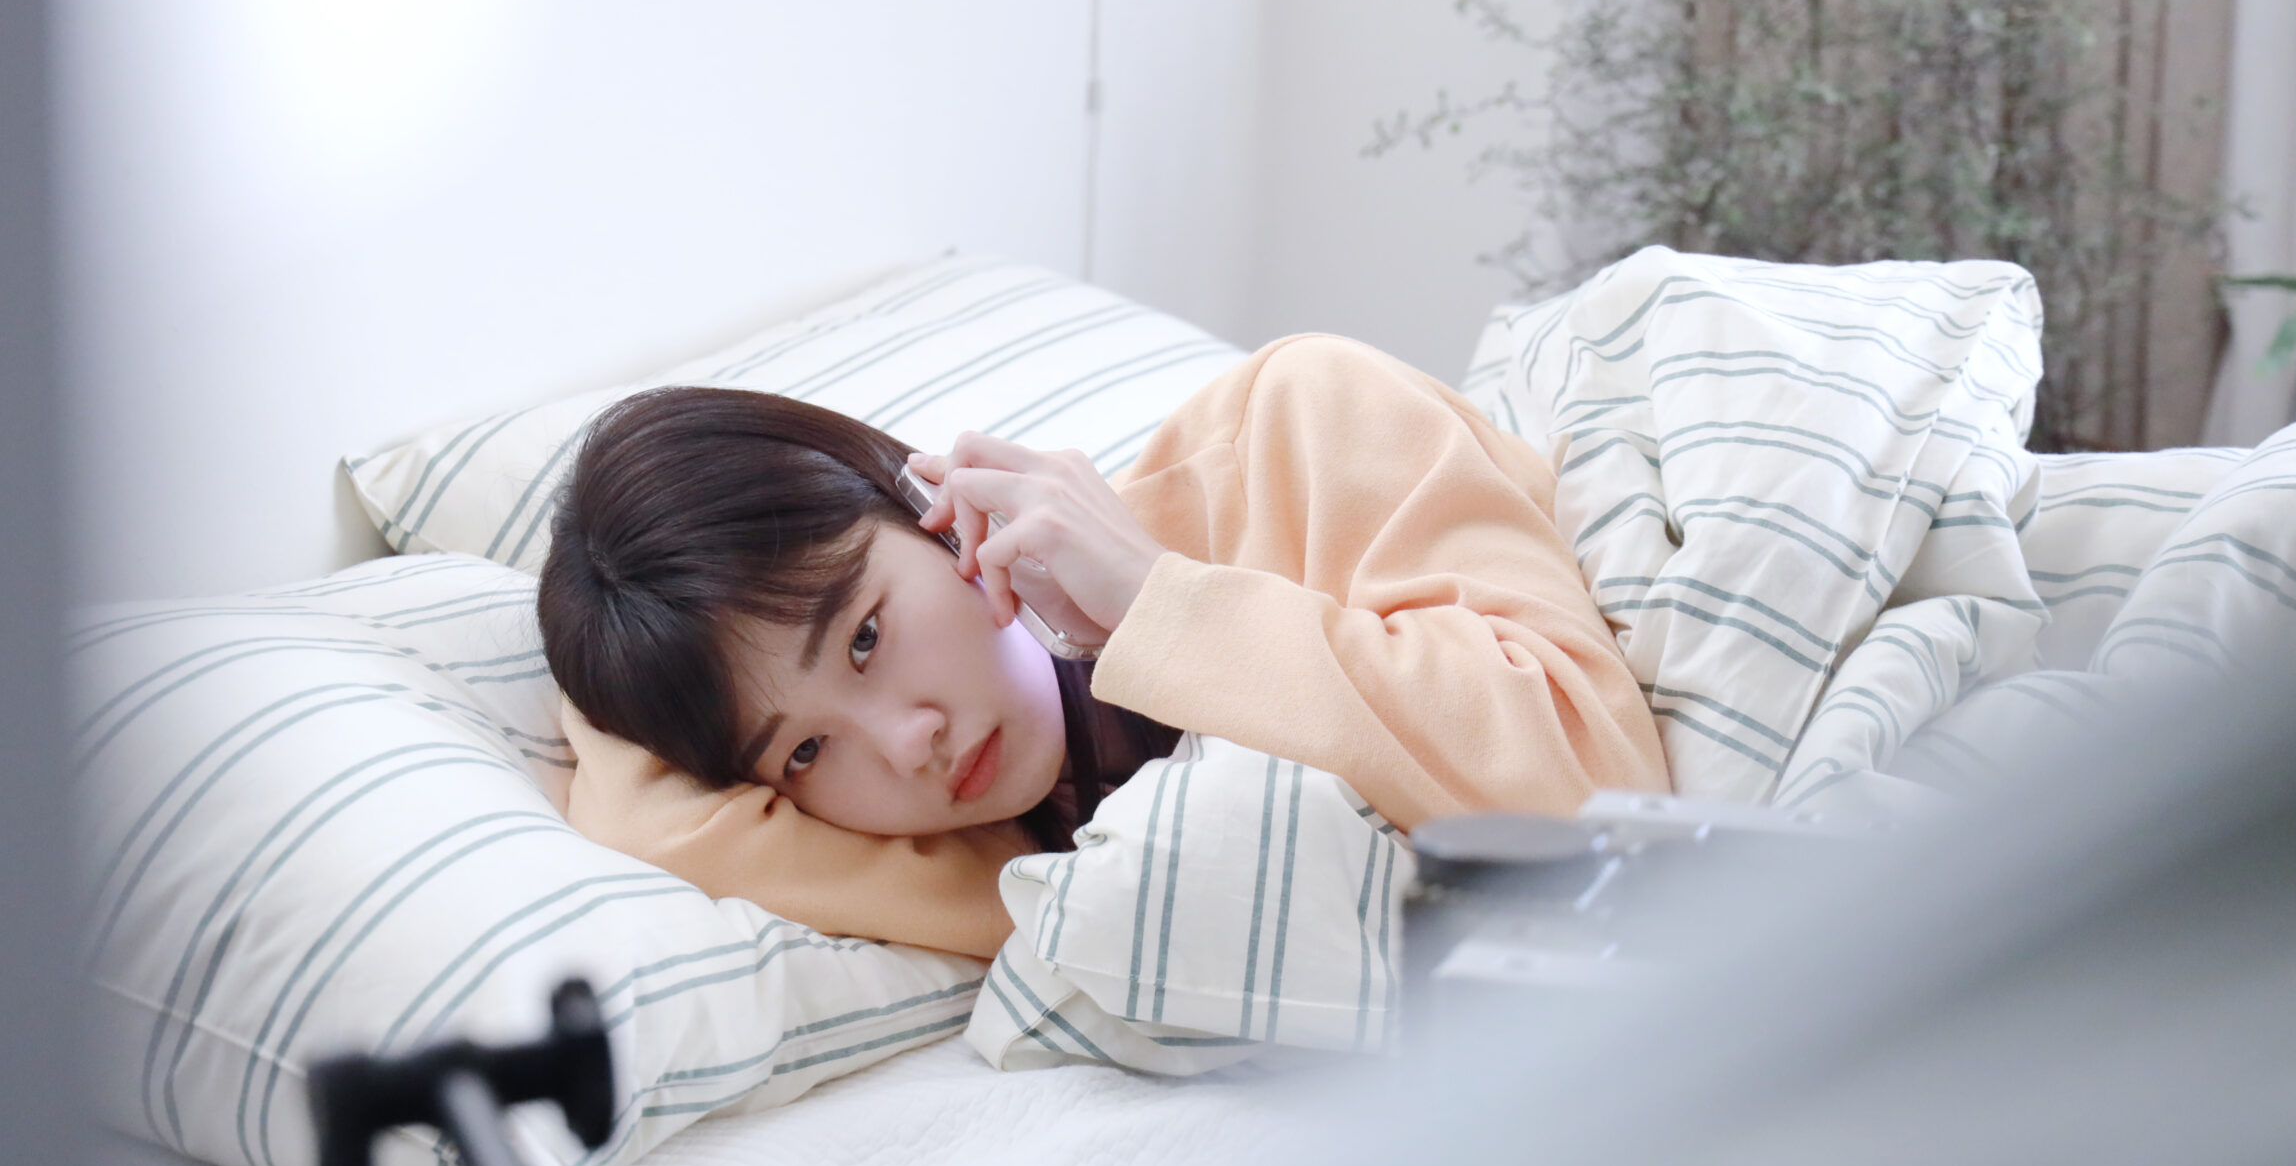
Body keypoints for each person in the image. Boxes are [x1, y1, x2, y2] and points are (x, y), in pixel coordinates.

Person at [539, 334, 1670, 959]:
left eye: (867, 636)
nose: (906, 743)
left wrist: (1155, 600)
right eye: (803, 752)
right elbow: (658, 827)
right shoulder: (1015, 874)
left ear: (931, 505)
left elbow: (1596, 794)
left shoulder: (1297, 428)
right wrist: (616, 637)